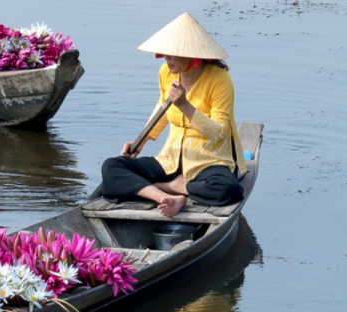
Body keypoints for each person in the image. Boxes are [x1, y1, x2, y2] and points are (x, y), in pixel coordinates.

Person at [101, 13, 246, 217]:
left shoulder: (220, 79)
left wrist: (185, 105)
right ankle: (164, 196)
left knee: (227, 189)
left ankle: (172, 187)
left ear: (192, 55)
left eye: (173, 53)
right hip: (170, 159)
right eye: (165, 53)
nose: (166, 58)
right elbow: (162, 109)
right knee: (111, 166)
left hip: (208, 160)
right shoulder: (165, 73)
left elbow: (219, 133)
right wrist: (141, 142)